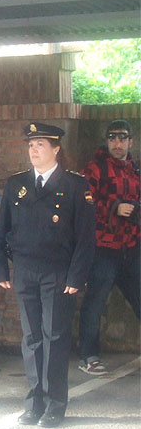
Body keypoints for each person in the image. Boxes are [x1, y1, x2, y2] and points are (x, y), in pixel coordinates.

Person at [0, 122, 96, 428]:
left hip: (58, 273)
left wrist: (76, 277)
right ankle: (34, 401)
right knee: (32, 339)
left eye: (40, 144)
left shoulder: (75, 185)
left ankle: (55, 404)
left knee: (55, 338)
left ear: (56, 149)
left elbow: (85, 238)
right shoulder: (17, 184)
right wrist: (0, 268)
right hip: (26, 270)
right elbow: (2, 229)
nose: (34, 150)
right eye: (31, 145)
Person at [78, 119, 140, 375]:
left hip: (132, 248)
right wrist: (114, 208)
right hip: (103, 248)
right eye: (112, 138)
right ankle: (89, 357)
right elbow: (84, 204)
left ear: (130, 142)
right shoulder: (94, 169)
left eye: (122, 138)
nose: (117, 143)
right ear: (106, 141)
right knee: (94, 304)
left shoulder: (136, 170)